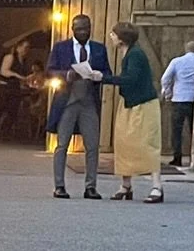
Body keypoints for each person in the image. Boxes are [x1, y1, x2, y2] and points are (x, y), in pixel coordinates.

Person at [46, 14, 114, 198]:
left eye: (87, 28)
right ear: (72, 29)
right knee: (62, 145)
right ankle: (59, 186)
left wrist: (99, 75)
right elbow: (50, 70)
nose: (83, 32)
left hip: (89, 102)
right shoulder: (61, 48)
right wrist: (66, 75)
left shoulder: (99, 49)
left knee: (92, 146)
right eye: (80, 28)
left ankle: (90, 186)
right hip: (67, 101)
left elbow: (108, 72)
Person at [94, 24, 164, 202]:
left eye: (113, 34)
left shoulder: (136, 55)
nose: (111, 36)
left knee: (147, 144)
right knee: (124, 143)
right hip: (129, 103)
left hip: (143, 104)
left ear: (122, 38)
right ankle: (126, 185)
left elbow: (131, 79)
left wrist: (104, 78)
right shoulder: (128, 53)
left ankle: (157, 186)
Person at [160, 41, 194, 167]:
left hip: (179, 99)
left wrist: (167, 93)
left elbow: (165, 78)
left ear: (185, 49)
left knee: (177, 131)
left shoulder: (177, 61)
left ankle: (177, 157)